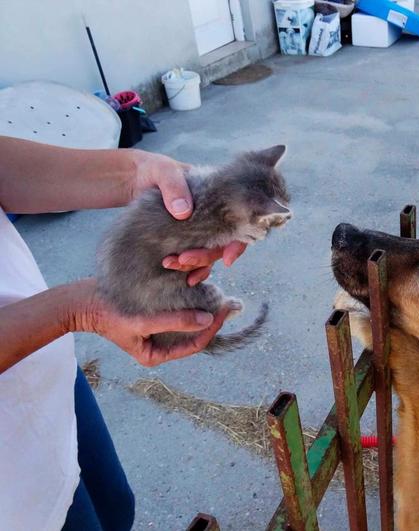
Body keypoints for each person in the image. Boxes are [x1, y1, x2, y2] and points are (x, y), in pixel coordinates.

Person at [0, 136, 247, 530]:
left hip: (47, 368)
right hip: (12, 483)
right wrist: (74, 309)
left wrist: (141, 174)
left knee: (116, 508)